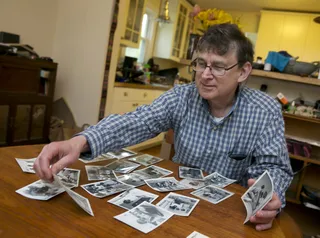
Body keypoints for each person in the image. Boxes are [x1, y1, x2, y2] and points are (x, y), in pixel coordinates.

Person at [34, 23, 293, 231]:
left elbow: (274, 168)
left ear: (244, 71)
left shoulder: (265, 110)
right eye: (201, 63)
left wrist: (271, 199)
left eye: (219, 67)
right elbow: (135, 122)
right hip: (174, 212)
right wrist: (78, 142)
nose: (204, 74)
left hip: (229, 218)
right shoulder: (181, 96)